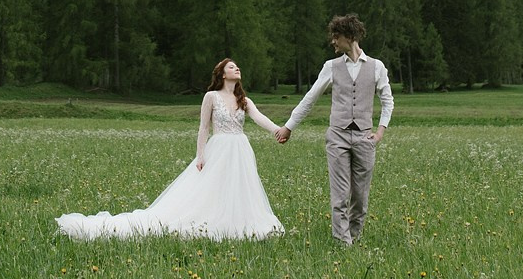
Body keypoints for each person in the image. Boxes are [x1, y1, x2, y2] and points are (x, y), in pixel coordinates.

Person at [54, 58, 285, 241]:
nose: (238, 69)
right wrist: (201, 155)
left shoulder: (243, 99)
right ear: (223, 74)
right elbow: (203, 128)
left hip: (240, 149)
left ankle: (240, 223)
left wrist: (278, 130)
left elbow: (259, 117)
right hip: (220, 147)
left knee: (240, 188)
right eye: (232, 67)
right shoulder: (211, 97)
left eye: (238, 67)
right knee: (212, 189)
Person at [275, 13, 392, 245]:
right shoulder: (331, 66)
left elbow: (387, 100)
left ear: (349, 37)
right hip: (337, 136)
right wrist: (289, 126)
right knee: (340, 194)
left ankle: (355, 237)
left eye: (336, 37)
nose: (333, 42)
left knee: (360, 196)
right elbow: (310, 98)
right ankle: (343, 242)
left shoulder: (377, 67)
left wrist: (379, 132)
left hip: (364, 137)